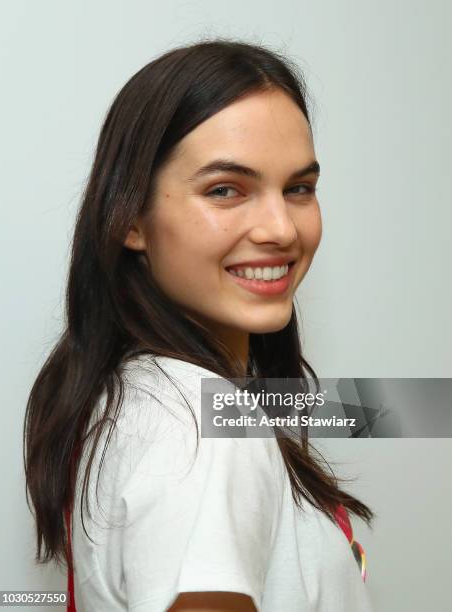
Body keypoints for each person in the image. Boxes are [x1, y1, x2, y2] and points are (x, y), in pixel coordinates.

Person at [23, 38, 375, 611]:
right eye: (225, 190)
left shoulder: (150, 398)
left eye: (299, 188)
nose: (281, 228)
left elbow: (383, 410)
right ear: (130, 218)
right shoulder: (198, 424)